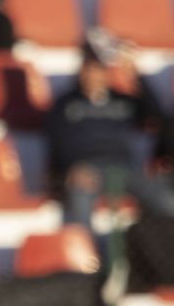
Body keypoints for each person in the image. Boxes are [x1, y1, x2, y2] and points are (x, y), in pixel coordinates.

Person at [45, 31, 174, 228]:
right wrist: (71, 169)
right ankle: (90, 258)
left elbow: (155, 116)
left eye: (99, 69)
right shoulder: (65, 104)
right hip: (87, 169)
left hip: (125, 169)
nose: (93, 74)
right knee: (80, 202)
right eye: (90, 68)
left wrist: (137, 76)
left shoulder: (122, 101)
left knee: (166, 203)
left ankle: (158, 256)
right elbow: (57, 141)